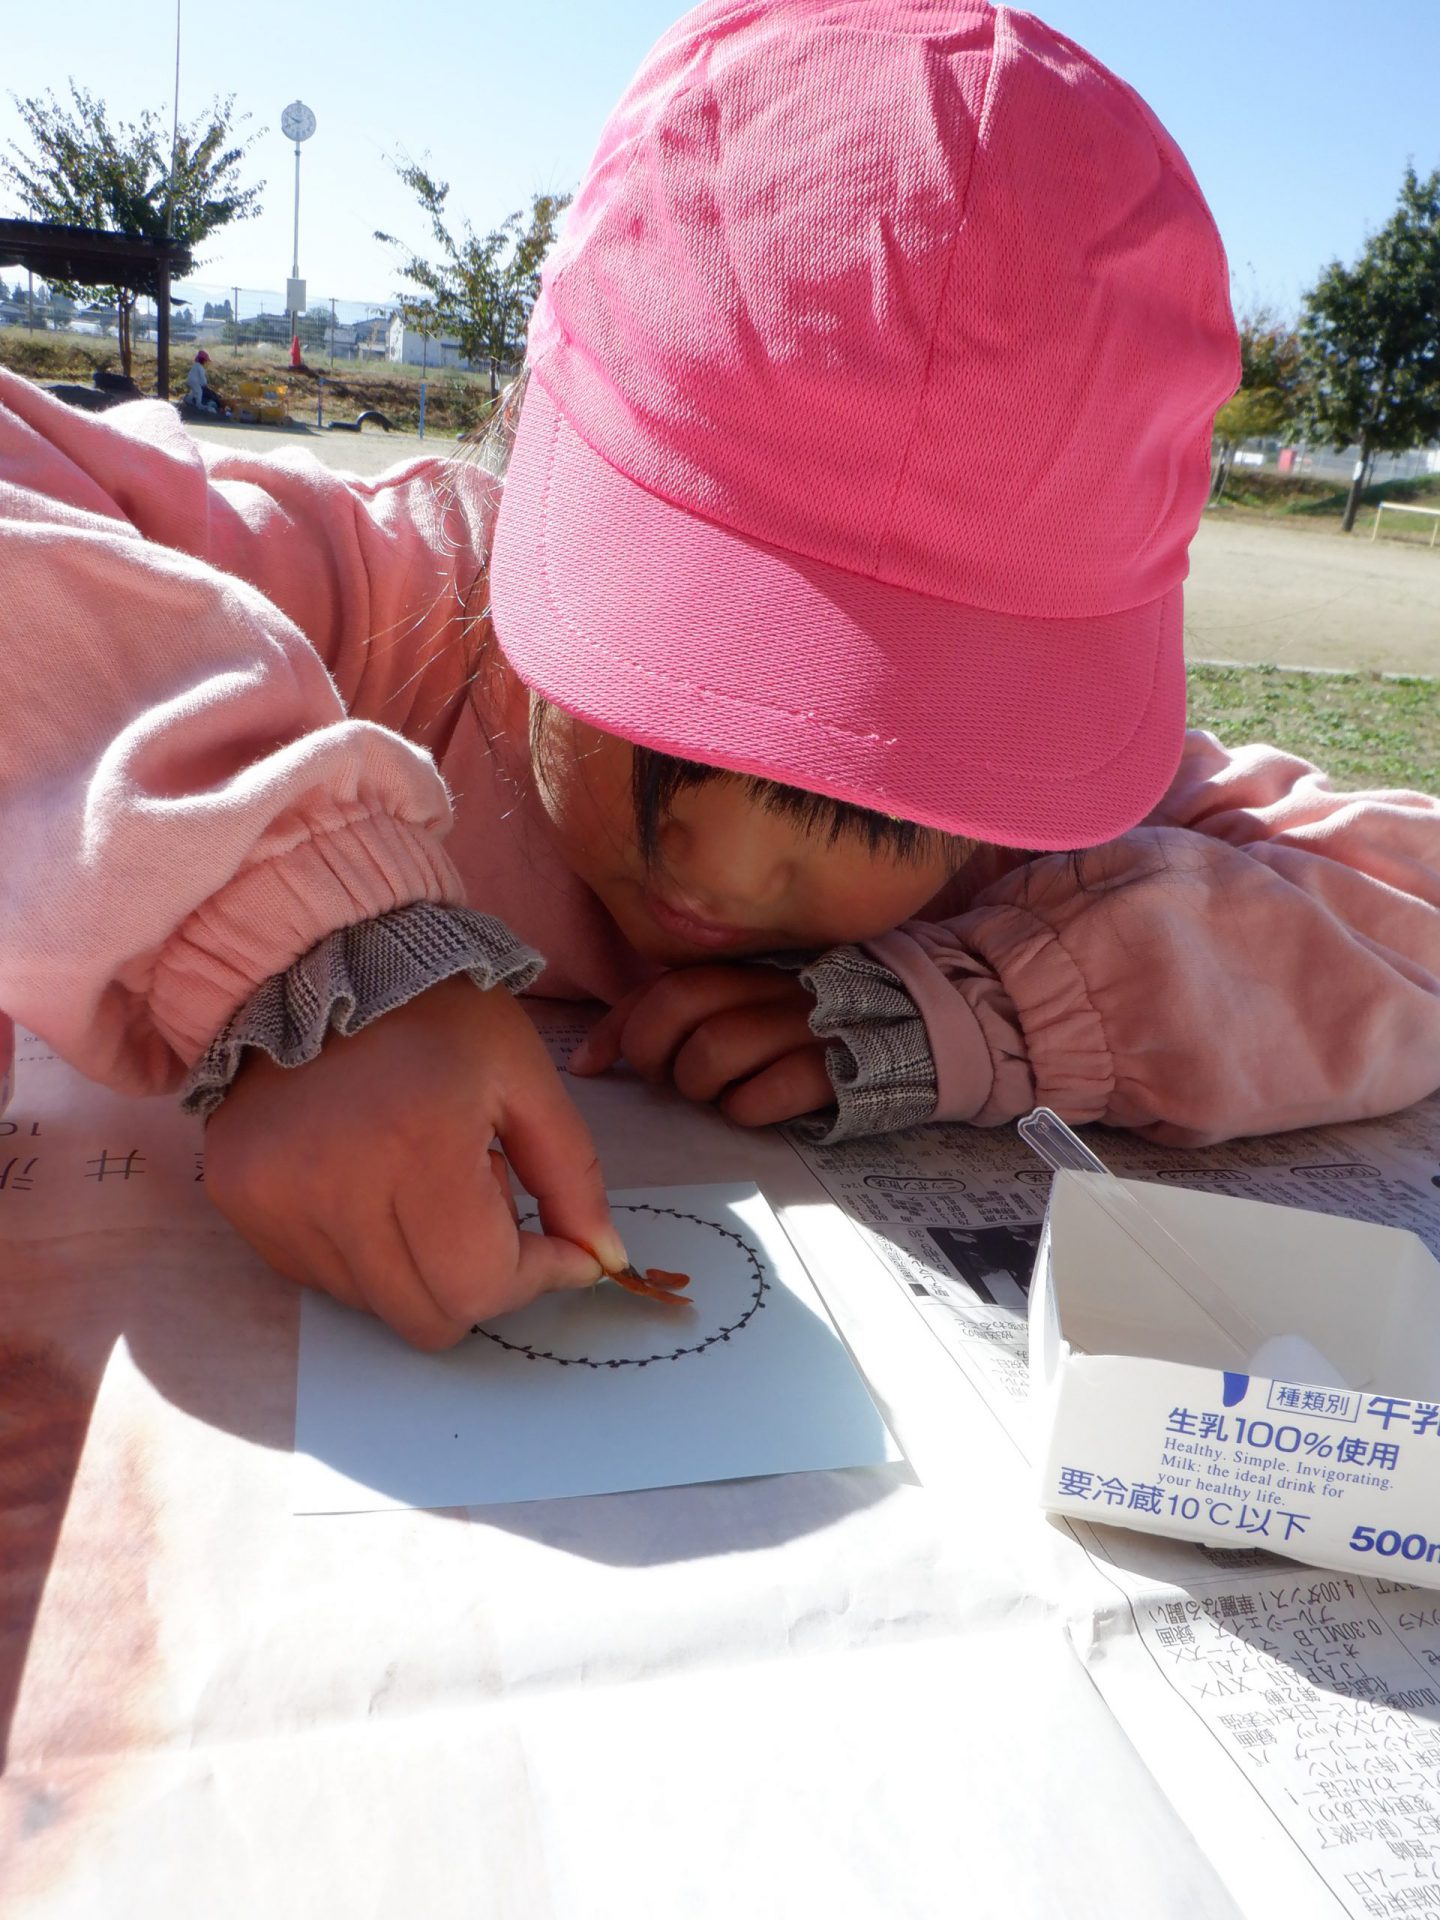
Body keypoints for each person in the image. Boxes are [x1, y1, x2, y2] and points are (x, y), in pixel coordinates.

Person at [1, 0, 1437, 1352]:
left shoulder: (1026, 824)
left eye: (883, 794)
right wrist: (302, 949)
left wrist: (984, 1005)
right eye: (666, 706)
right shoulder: (374, 601)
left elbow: (1409, 904)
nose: (728, 867)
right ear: (538, 439)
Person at [183, 348, 224, 415]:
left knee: (194, 391)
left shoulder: (195, 365)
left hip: (190, 380)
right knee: (199, 391)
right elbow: (202, 377)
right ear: (204, 361)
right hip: (194, 381)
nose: (206, 363)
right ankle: (198, 405)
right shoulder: (201, 368)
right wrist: (204, 383)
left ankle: (188, 400)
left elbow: (196, 376)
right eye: (206, 361)